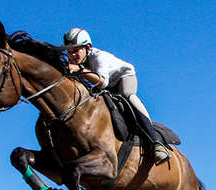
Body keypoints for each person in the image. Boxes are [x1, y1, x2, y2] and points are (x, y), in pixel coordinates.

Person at [63, 28, 171, 166]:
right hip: (104, 84)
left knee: (128, 96)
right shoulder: (76, 63)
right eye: (69, 51)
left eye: (76, 50)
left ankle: (156, 143)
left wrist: (80, 70)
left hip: (123, 78)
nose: (72, 55)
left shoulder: (98, 57)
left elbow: (103, 82)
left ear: (87, 47)